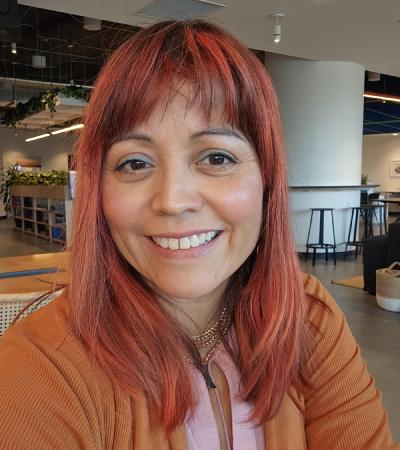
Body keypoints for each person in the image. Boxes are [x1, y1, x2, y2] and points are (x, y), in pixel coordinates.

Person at [0, 20, 398, 450]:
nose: (173, 200)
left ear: (267, 178)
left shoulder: (307, 319)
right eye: (135, 163)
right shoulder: (42, 366)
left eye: (216, 157)